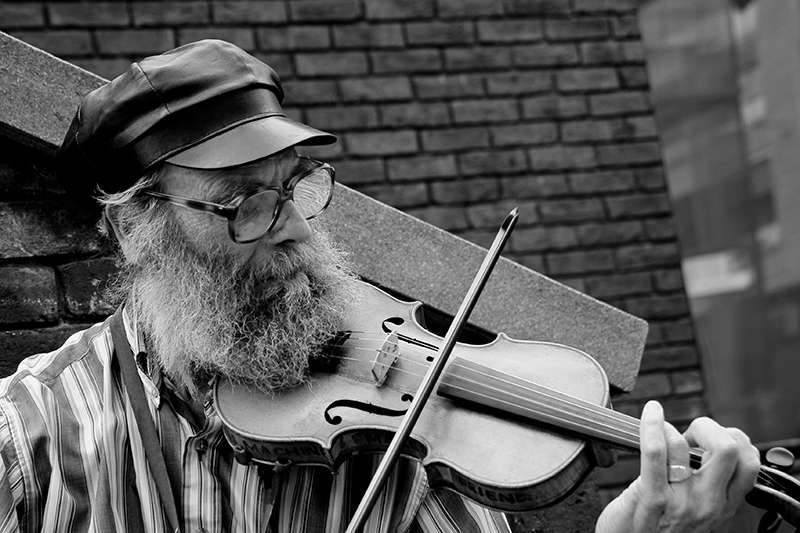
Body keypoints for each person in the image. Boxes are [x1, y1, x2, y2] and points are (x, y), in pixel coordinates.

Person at [0, 40, 760, 533]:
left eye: (296, 185)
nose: (292, 224)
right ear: (140, 228)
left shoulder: (397, 452)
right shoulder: (35, 437)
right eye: (244, 204)